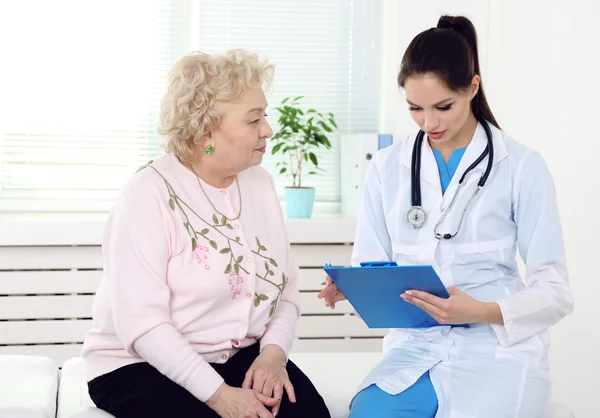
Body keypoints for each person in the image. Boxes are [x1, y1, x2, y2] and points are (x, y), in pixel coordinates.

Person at [318, 15, 574, 418]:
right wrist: (353, 285)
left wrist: (480, 311)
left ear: (472, 87)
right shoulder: (386, 168)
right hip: (415, 348)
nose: (428, 123)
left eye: (443, 106)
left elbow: (555, 291)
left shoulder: (522, 167)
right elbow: (370, 264)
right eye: (415, 108)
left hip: (495, 349)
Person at [82, 49, 331, 418]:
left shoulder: (259, 184)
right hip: (137, 364)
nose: (268, 130)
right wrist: (220, 397)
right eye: (254, 120)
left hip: (235, 355)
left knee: (308, 413)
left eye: (265, 115)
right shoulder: (148, 194)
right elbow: (143, 326)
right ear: (205, 131)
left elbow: (285, 290)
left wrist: (273, 356)